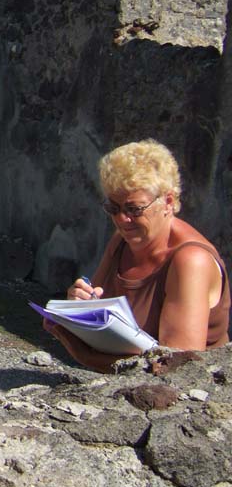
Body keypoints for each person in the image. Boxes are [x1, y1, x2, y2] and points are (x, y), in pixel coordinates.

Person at [44, 139, 230, 372]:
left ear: (168, 202)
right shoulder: (124, 240)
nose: (122, 219)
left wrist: (84, 354)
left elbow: (175, 368)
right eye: (114, 208)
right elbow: (99, 309)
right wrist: (78, 305)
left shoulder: (191, 262)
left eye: (134, 209)